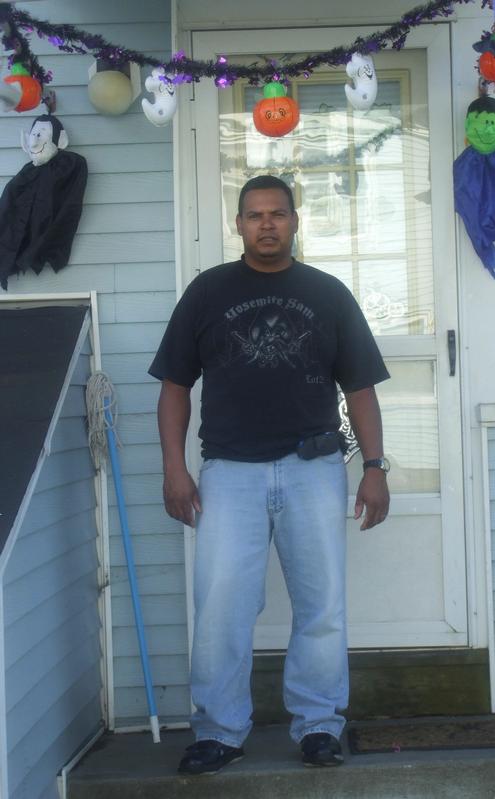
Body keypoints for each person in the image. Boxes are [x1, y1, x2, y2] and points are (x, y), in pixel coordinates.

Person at [149, 175, 390, 774]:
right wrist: (174, 469)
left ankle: (319, 725)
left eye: (277, 214)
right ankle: (219, 731)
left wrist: (375, 467)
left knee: (322, 605)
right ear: (238, 224)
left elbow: (360, 388)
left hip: (314, 469)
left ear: (294, 221)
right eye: (254, 215)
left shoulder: (328, 293)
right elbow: (174, 386)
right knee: (221, 607)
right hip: (230, 473)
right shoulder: (208, 292)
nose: (266, 224)